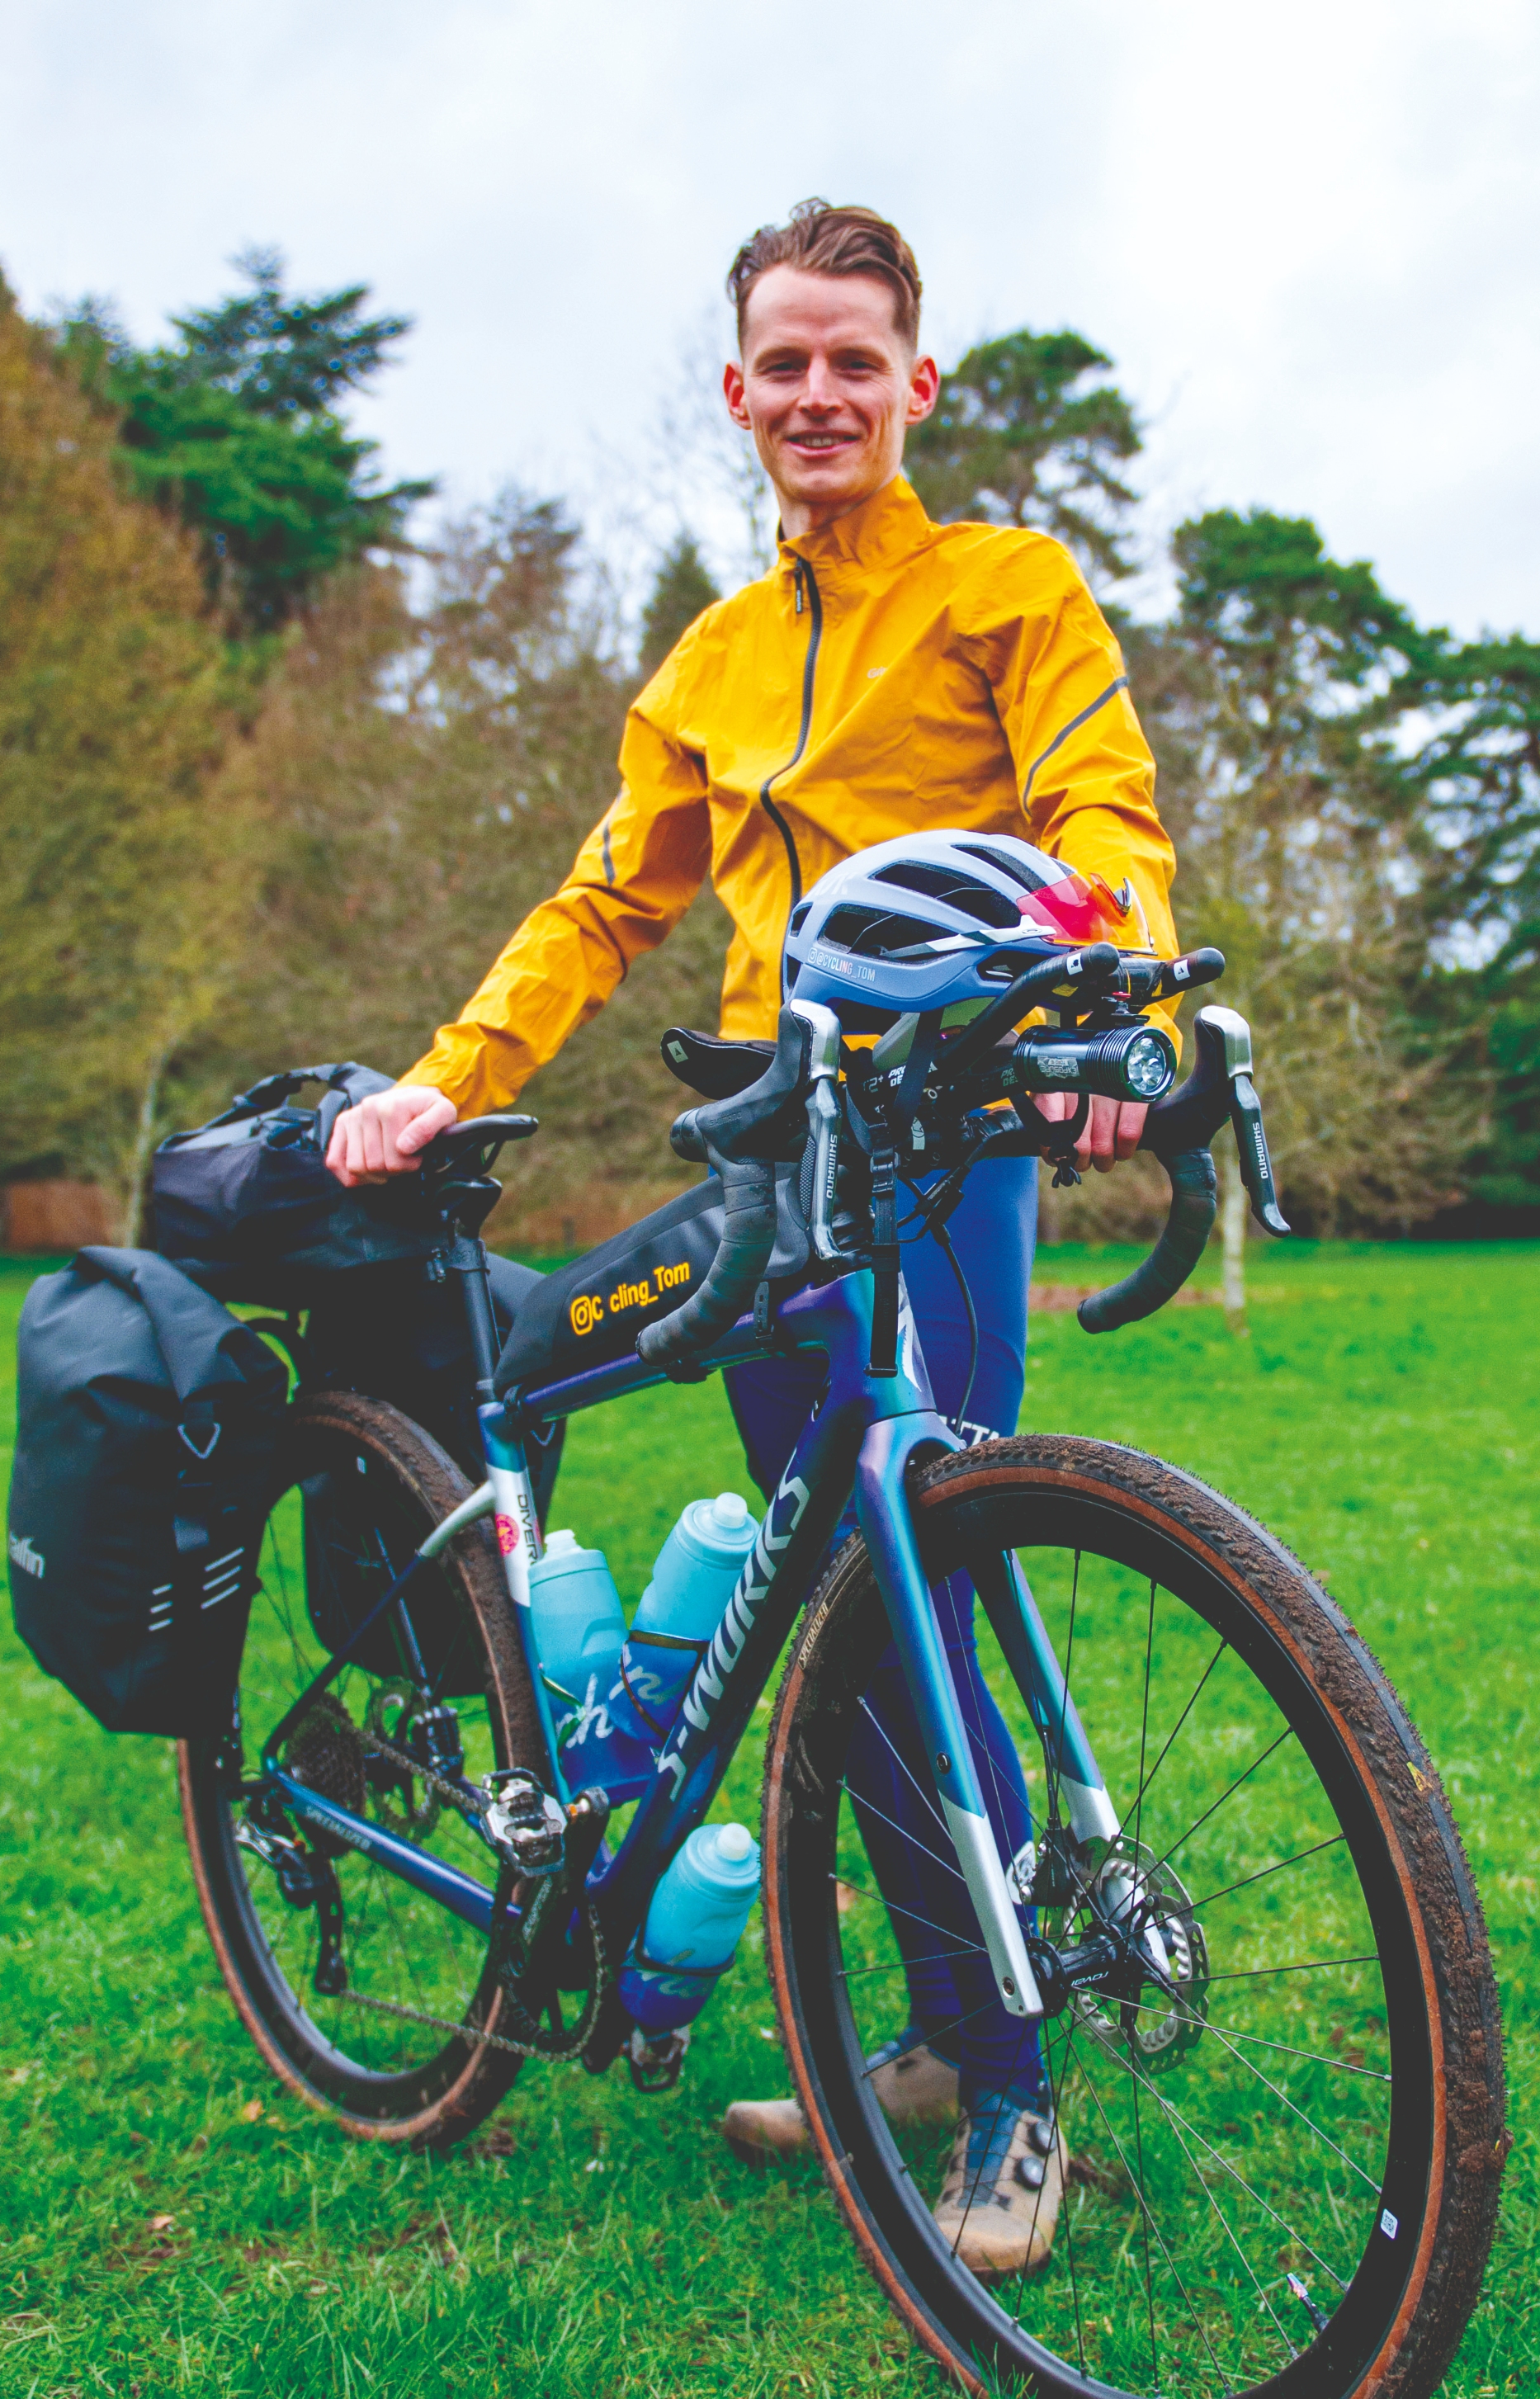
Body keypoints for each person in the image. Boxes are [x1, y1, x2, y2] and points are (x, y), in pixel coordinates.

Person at [328, 198, 1181, 2274]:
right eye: (782, 362)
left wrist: (1113, 991)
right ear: (737, 391)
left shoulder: (1004, 586)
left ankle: (1008, 2082)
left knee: (924, 1579)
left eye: (851, 360)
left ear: (914, 383)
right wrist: (447, 1074)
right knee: (836, 1604)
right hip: (760, 1141)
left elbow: (1099, 813)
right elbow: (602, 900)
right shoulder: (708, 661)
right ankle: (927, 2033)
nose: (817, 392)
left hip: (938, 1124)